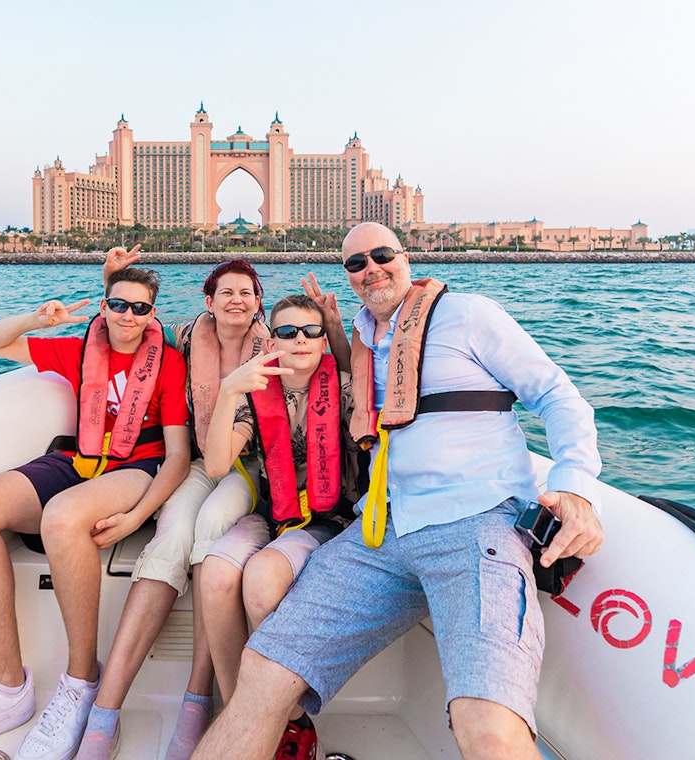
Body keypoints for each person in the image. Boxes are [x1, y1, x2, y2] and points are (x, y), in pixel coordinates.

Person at [191, 222, 605, 760]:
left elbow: (558, 395)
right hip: (378, 534)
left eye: (381, 254)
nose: (371, 269)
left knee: (486, 724)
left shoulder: (468, 315)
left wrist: (575, 488)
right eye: (356, 263)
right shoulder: (361, 342)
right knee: (261, 673)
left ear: (406, 257)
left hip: (476, 526)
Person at [75, 252, 350, 760]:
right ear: (208, 301)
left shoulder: (310, 366)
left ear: (260, 307)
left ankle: (213, 702)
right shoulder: (188, 340)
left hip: (269, 483)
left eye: (247, 293)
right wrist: (112, 284)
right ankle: (108, 710)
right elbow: (129, 319)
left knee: (214, 527)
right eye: (226, 292)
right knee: (180, 536)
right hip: (212, 464)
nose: (237, 300)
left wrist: (331, 326)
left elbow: (345, 370)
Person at [0, 267, 192, 760]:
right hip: (76, 461)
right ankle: (5, 689)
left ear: (153, 315)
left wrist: (137, 516)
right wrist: (37, 319)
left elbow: (177, 457)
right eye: (118, 304)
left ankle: (81, 681)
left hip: (138, 467)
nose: (127, 315)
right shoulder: (77, 350)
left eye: (140, 308)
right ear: (104, 307)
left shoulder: (168, 364)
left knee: (61, 518)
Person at [197, 295, 360, 760]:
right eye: (288, 332)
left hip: (330, 521)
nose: (301, 341)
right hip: (273, 514)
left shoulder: (347, 389)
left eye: (311, 332)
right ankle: (242, 714)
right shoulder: (254, 391)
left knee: (263, 577)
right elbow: (215, 463)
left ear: (323, 338)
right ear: (272, 339)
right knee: (215, 572)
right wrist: (229, 389)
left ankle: (288, 719)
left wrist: (337, 331)